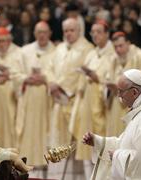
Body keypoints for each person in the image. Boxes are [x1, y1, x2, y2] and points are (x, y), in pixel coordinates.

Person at [83, 69, 141, 180]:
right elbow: (125, 143)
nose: (118, 96)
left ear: (134, 92)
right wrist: (97, 141)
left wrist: (116, 156)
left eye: (121, 91)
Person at [69, 20, 115, 179]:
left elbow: (113, 81)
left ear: (107, 33)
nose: (95, 35)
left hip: (103, 106)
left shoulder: (113, 55)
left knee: (101, 146)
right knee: (86, 146)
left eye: (99, 32)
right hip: (88, 104)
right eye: (92, 32)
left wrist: (97, 78)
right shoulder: (90, 54)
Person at [49, 18, 93, 146]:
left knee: (78, 141)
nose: (68, 33)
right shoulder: (60, 48)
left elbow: (82, 74)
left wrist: (61, 86)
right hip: (58, 98)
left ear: (79, 31)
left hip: (76, 99)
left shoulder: (88, 48)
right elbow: (49, 67)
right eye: (66, 31)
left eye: (72, 30)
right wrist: (52, 83)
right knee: (59, 141)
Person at [16, 21, 55, 167]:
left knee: (47, 128)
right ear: (34, 33)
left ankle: (46, 163)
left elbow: (58, 74)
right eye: (39, 32)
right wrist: (26, 78)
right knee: (28, 129)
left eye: (45, 32)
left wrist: (45, 79)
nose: (42, 35)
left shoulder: (56, 51)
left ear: (50, 33)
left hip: (47, 99)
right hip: (28, 97)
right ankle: (28, 161)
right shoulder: (25, 51)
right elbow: (16, 72)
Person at [105, 31, 141, 136]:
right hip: (116, 106)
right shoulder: (113, 59)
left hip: (134, 105)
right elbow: (108, 78)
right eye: (115, 47)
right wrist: (110, 88)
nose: (118, 50)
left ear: (128, 43)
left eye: (121, 46)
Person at [0, 27, 25, 148]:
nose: (1, 44)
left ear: (9, 40)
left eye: (4, 41)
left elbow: (23, 74)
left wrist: (9, 76)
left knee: (11, 124)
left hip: (12, 98)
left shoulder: (19, 53)